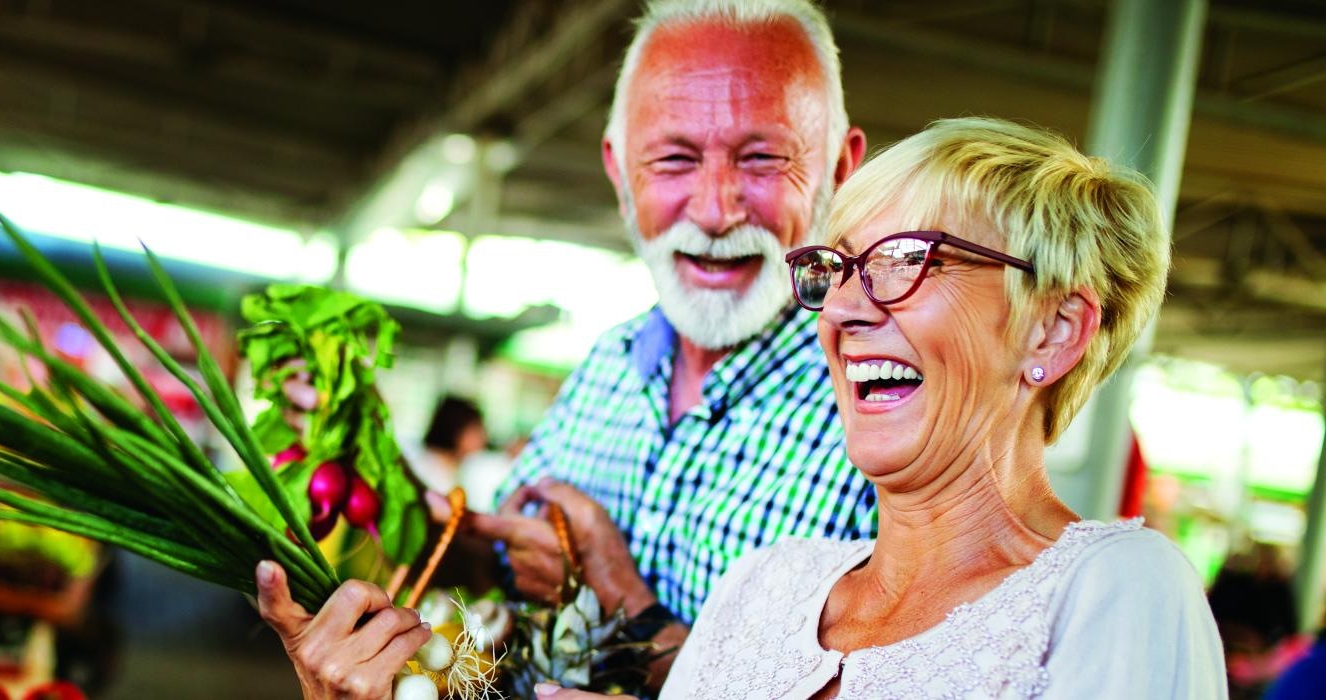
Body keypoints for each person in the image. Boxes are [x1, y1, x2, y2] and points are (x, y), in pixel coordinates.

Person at [257, 0, 876, 694]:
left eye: (762, 157)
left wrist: (615, 595)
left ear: (840, 168)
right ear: (619, 175)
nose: (713, 209)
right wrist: (368, 465)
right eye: (673, 159)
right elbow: (501, 565)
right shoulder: (609, 363)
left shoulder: (882, 407)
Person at [604, 117, 1217, 697]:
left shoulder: (1116, 587)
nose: (843, 309)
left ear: (1053, 330)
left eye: (906, 261)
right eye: (837, 267)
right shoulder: (764, 581)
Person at [408, 396, 487, 495]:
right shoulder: (427, 470)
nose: (483, 437)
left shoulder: (453, 469)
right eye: (476, 430)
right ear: (457, 430)